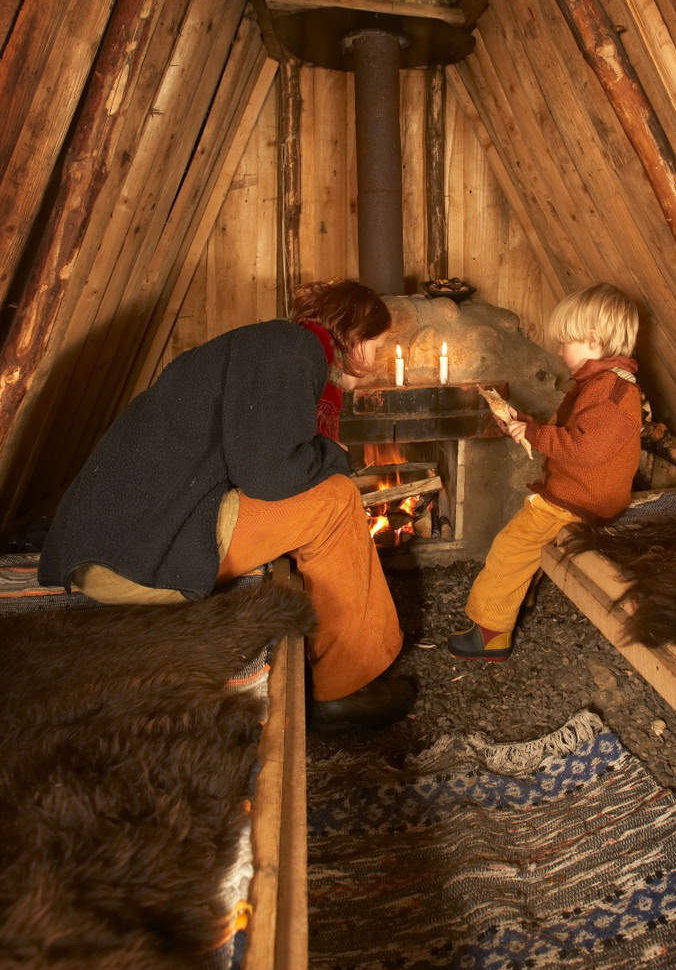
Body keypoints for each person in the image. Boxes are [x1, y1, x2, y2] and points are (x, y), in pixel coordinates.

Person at [38, 279, 415, 733]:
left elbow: (255, 463)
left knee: (320, 495)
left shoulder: (264, 347)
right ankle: (345, 690)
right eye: (377, 343)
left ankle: (332, 652)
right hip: (139, 556)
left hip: (108, 549)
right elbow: (272, 476)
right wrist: (338, 455)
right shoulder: (293, 348)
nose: (375, 358)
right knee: (336, 500)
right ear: (353, 334)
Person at [448, 282, 642, 661]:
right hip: (578, 491)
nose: (558, 350)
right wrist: (526, 422)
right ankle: (519, 600)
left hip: (580, 499)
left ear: (592, 339)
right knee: (526, 545)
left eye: (565, 342)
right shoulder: (600, 385)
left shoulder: (615, 393)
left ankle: (490, 634)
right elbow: (573, 433)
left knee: (510, 548)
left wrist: (534, 433)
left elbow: (584, 448)